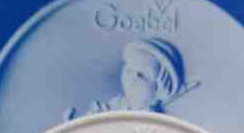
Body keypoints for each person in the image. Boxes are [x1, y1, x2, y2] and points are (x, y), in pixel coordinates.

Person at [62, 38, 198, 121]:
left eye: (142, 74)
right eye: (129, 69)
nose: (133, 77)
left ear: (160, 90)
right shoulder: (115, 104)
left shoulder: (153, 120)